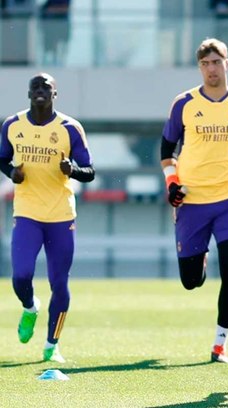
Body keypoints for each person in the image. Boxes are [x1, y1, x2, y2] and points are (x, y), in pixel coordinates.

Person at [160, 38, 228, 364]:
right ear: (200, 67)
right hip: (192, 200)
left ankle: (220, 344)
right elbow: (166, 150)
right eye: (205, 64)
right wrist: (172, 182)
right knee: (191, 282)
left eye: (216, 62)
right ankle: (197, 260)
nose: (211, 69)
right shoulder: (184, 103)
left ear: (227, 64)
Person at [0, 72, 95, 363]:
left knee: (59, 283)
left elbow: (89, 171)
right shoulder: (12, 125)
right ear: (29, 94)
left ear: (55, 94)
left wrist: (73, 171)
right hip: (27, 212)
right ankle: (30, 307)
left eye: (47, 87)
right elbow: (2, 158)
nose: (40, 90)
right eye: (35, 87)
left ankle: (52, 345)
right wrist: (11, 172)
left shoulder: (70, 128)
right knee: (21, 276)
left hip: (61, 215)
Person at [39, 0, 71, 66]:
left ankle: (58, 61)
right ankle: (51, 60)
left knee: (60, 44)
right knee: (50, 44)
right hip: (50, 26)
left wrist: (51, 10)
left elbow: (64, 9)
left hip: (61, 25)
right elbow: (44, 9)